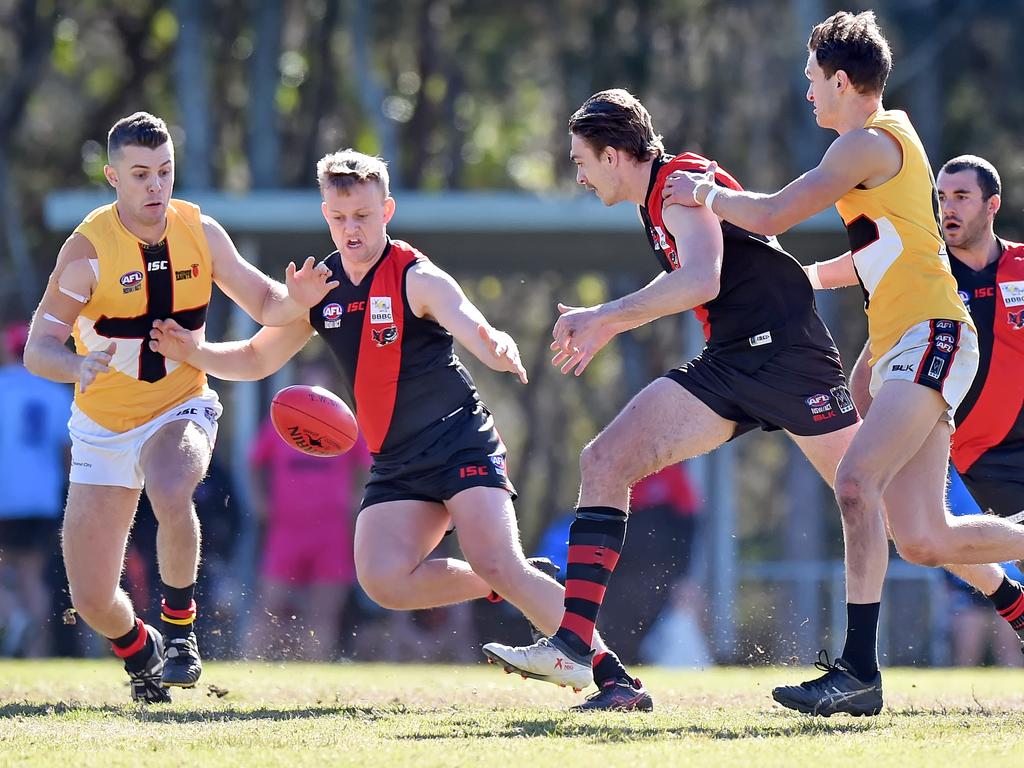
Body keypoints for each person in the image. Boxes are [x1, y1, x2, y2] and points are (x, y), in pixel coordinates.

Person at [149, 148, 651, 711]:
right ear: (325, 216)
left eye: (363, 216)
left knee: (498, 558)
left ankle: (616, 682)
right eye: (339, 219)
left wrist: (494, 344)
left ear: (386, 210)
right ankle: (503, 578)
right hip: (396, 460)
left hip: (458, 438)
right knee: (384, 581)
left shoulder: (414, 275)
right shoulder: (321, 288)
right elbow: (254, 358)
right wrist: (194, 350)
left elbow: (466, 318)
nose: (351, 229)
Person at [662, 12, 1024, 715]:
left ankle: (858, 672)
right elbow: (880, 260)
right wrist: (867, 359)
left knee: (857, 483)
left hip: (935, 337)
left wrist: (702, 192)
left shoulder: (868, 143)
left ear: (839, 80)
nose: (807, 94)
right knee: (923, 537)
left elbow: (769, 213)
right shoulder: (886, 144)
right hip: (910, 342)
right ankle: (1008, 603)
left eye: (811, 81)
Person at [481, 87, 867, 710]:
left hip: (791, 359)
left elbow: (701, 277)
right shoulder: (651, 203)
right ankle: (581, 651)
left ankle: (1011, 602)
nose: (578, 174)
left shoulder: (679, 180)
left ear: (613, 155)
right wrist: (609, 321)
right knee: (603, 462)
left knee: (897, 515)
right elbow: (695, 278)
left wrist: (605, 315)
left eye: (581, 159)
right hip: (732, 365)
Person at [22, 112, 336, 702]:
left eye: (164, 172)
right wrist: (77, 366)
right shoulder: (87, 251)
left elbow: (266, 303)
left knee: (171, 485)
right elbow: (40, 349)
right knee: (90, 598)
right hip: (102, 426)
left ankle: (181, 633)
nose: (155, 187)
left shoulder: (201, 231)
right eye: (140, 174)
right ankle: (142, 651)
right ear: (113, 177)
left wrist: (296, 298)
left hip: (181, 405)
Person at [845, 155, 1024, 652]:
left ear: (993, 205)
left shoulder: (1021, 269)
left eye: (961, 197)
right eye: (941, 197)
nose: (948, 208)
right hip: (954, 465)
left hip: (1018, 453)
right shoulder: (926, 278)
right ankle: (1011, 604)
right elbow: (866, 376)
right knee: (923, 541)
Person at [243, 355, 369, 661]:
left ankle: (313, 671)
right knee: (269, 605)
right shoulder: (281, 423)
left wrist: (356, 500)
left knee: (324, 610)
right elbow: (254, 463)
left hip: (332, 530)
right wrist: (260, 500)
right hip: (286, 529)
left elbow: (365, 466)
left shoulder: (345, 424)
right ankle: (251, 664)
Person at [0, 321, 72, 657]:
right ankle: (37, 652)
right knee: (33, 573)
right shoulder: (56, 393)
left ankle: (13, 615)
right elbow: (67, 453)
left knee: (5, 569)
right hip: (43, 498)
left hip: (6, 495)